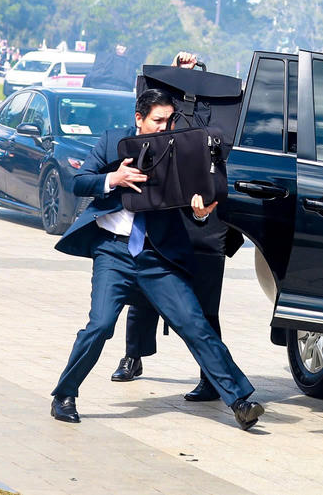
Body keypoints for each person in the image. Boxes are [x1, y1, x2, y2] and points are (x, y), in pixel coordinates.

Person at [49, 88, 264, 430]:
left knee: (195, 324)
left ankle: (240, 401)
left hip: (158, 257)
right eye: (157, 121)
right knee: (100, 325)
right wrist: (112, 179)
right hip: (114, 252)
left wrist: (201, 209)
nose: (164, 128)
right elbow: (78, 182)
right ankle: (65, 394)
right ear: (139, 118)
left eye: (169, 120)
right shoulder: (112, 142)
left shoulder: (179, 150)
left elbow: (198, 196)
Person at [111, 51, 239, 403]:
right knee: (142, 293)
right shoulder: (166, 117)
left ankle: (212, 379)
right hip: (162, 211)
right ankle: (133, 356)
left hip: (204, 219)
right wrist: (179, 75)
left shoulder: (223, 126)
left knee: (204, 308)